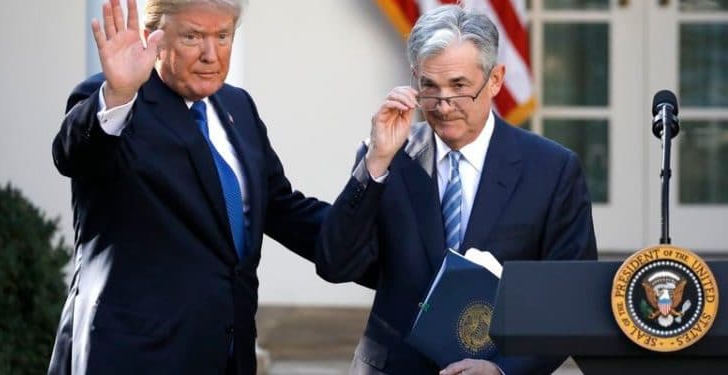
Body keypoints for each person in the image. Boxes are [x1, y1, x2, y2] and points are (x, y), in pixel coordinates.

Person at [315, 5, 597, 375]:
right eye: (429, 87)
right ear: (414, 79)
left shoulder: (552, 170)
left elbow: (571, 299)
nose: (444, 105)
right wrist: (375, 164)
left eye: (460, 87)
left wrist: (504, 370)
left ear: (495, 80)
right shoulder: (386, 157)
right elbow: (335, 264)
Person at [48, 0, 328, 373]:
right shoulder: (115, 98)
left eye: (223, 36)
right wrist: (117, 97)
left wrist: (381, 234)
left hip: (227, 354)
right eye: (193, 36)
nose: (211, 54)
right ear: (155, 38)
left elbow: (283, 209)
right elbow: (74, 156)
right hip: (133, 357)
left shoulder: (238, 106)